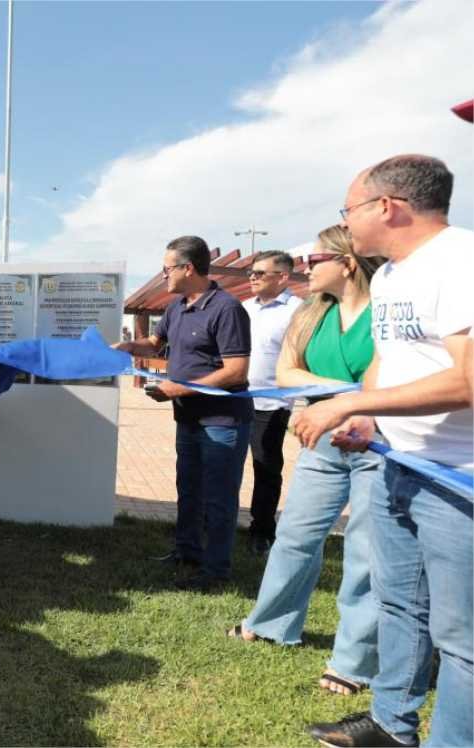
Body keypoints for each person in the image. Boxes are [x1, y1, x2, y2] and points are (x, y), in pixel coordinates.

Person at [300, 155, 473, 748]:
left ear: (388, 206)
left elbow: (467, 381)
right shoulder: (393, 275)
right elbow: (387, 360)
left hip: (458, 481)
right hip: (400, 465)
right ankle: (391, 727)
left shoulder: (461, 262)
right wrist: (369, 413)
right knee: (398, 605)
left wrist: (344, 406)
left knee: (461, 639)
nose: (345, 223)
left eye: (348, 210)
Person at [230, 226, 384, 697]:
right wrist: (345, 393)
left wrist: (332, 396)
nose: (305, 268)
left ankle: (355, 660)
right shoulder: (310, 313)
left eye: (315, 258)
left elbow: (389, 383)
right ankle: (273, 623)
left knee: (366, 551)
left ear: (348, 262)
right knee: (295, 533)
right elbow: (285, 372)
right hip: (322, 440)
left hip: (380, 444)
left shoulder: (387, 311)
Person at [113, 235, 253, 591]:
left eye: (167, 269)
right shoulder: (177, 306)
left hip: (222, 421)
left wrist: (179, 388)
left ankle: (215, 571)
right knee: (188, 489)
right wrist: (129, 346)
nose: (164, 277)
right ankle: (187, 552)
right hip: (187, 418)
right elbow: (155, 344)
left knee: (218, 498)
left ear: (187, 268)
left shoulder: (227, 309)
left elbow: (236, 371)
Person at [241, 250, 303, 556]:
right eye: (250, 272)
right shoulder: (243, 308)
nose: (252, 277)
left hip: (271, 404)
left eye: (260, 273)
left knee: (265, 467)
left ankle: (262, 529)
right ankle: (215, 522)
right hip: (234, 398)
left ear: (282, 277)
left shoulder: (298, 311)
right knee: (223, 463)